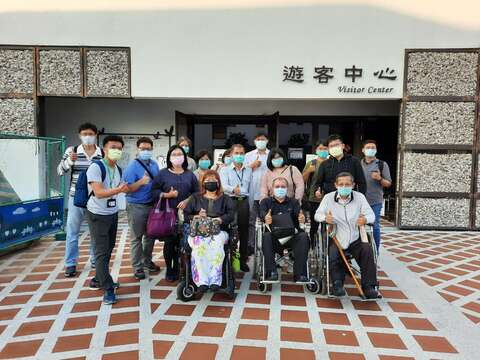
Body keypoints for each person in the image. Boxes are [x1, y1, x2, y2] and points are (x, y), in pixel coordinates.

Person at [315, 172, 378, 299]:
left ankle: (369, 286)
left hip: (355, 238)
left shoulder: (359, 197)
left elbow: (372, 215)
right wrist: (325, 217)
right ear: (336, 185)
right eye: (341, 184)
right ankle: (337, 284)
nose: (344, 186)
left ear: (353, 185)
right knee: (333, 253)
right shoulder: (328, 198)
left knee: (367, 250)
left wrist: (365, 220)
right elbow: (317, 215)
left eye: (348, 184)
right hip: (336, 237)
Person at [86, 135, 129, 305]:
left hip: (112, 212)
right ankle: (108, 288)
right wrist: (118, 189)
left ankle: (97, 279)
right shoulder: (96, 167)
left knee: (109, 247)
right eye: (113, 147)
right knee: (101, 251)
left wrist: (139, 184)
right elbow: (98, 192)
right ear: (104, 149)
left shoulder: (118, 169)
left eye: (119, 148)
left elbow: (123, 188)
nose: (116, 150)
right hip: (97, 214)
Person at [58, 122, 103, 278]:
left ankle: (94, 259)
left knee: (95, 232)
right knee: (72, 231)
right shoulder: (72, 151)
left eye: (90, 134)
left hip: (96, 198)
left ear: (95, 135)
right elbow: (60, 170)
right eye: (84, 134)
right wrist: (70, 161)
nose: (87, 137)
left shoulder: (101, 153)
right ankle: (70, 263)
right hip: (76, 197)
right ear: (79, 135)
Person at [151, 145, 199, 281]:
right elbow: (153, 191)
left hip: (186, 213)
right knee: (170, 243)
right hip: (168, 214)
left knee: (184, 242)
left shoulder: (190, 174)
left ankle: (182, 268)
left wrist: (188, 200)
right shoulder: (162, 173)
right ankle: (170, 269)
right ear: (169, 157)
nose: (177, 157)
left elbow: (197, 192)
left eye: (180, 154)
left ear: (184, 157)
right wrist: (167, 195)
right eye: (174, 154)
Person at [184, 170, 235, 292]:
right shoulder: (195, 198)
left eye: (213, 180)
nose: (210, 183)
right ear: (202, 183)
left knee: (216, 244)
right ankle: (202, 281)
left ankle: (215, 281)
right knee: (199, 247)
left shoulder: (226, 198)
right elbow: (186, 215)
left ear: (218, 183)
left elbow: (232, 214)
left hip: (219, 231)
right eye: (207, 181)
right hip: (199, 232)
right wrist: (196, 216)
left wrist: (220, 219)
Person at [123, 137, 161, 280]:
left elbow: (157, 182)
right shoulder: (132, 167)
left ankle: (147, 261)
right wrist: (141, 182)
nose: (146, 151)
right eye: (143, 149)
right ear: (137, 149)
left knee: (150, 236)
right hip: (136, 206)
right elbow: (126, 189)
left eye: (148, 149)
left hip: (151, 205)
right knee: (136, 237)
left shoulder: (154, 164)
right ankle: (137, 267)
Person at [259, 177, 309, 283]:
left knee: (304, 236)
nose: (280, 189)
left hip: (291, 237)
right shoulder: (266, 202)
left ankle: (300, 274)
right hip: (274, 239)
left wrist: (302, 217)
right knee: (266, 236)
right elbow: (262, 213)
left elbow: (299, 214)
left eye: (283, 186)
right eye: (277, 186)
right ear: (272, 188)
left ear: (287, 188)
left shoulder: (294, 202)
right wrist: (265, 217)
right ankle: (271, 272)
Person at [220, 144, 252, 272]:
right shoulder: (225, 170)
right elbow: (223, 186)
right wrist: (234, 189)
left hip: (244, 202)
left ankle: (242, 261)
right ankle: (229, 260)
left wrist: (241, 192)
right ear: (231, 155)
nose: (239, 156)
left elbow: (249, 188)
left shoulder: (248, 170)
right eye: (237, 153)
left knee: (244, 232)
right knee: (230, 231)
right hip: (230, 202)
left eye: (242, 153)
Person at [361, 140, 392, 252]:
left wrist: (379, 179)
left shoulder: (382, 164)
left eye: (373, 147)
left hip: (375, 201)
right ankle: (362, 250)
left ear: (376, 150)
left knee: (375, 226)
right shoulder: (358, 164)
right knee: (359, 225)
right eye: (368, 147)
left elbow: (388, 183)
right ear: (363, 150)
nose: (370, 149)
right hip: (360, 201)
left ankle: (375, 251)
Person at [314, 134, 366, 199]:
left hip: (351, 200)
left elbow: (361, 183)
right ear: (328, 148)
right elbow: (318, 183)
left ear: (343, 146)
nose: (334, 147)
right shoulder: (324, 164)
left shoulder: (354, 161)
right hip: (330, 200)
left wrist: (361, 198)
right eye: (331, 146)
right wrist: (317, 191)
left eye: (336, 145)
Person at [245, 133, 270, 254]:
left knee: (268, 221)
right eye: (258, 139)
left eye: (263, 139)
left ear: (267, 141)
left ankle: (267, 246)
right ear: (255, 141)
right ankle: (251, 246)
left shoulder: (272, 155)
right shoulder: (249, 155)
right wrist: (252, 166)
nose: (261, 141)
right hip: (252, 193)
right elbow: (242, 171)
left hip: (267, 195)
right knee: (251, 221)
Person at [302, 141, 329, 240]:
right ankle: (312, 244)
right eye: (320, 149)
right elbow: (302, 180)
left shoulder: (332, 162)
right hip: (314, 199)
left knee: (327, 224)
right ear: (316, 150)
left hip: (329, 198)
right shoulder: (311, 163)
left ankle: (326, 246)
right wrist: (308, 171)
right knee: (314, 224)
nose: (323, 151)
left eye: (325, 149)